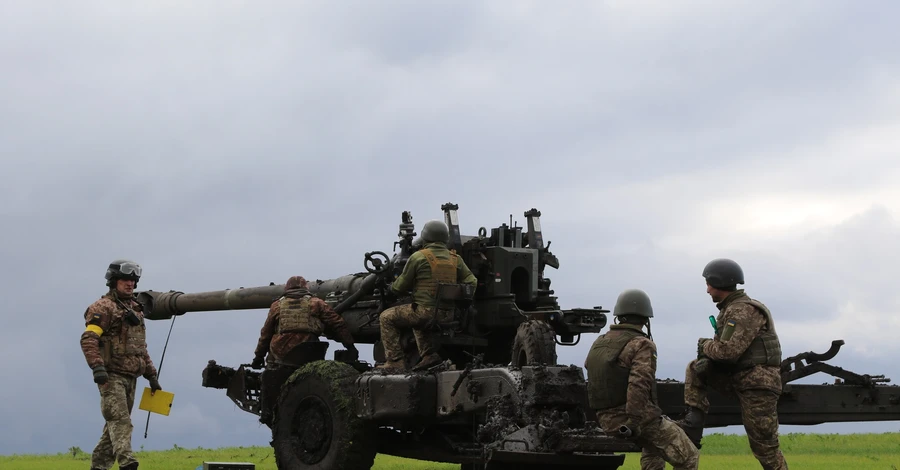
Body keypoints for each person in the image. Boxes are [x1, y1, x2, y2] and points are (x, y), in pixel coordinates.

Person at [676, 258, 788, 469]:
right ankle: (694, 422)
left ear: (720, 282)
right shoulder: (731, 309)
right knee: (695, 368)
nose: (707, 290)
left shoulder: (743, 311)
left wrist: (705, 345)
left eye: (709, 284)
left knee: (765, 447)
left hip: (757, 384)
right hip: (740, 378)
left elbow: (727, 352)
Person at [585, 288, 699, 470]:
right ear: (646, 319)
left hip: (605, 418)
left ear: (618, 315)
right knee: (689, 456)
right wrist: (634, 421)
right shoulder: (642, 344)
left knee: (653, 450)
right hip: (632, 419)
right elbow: (639, 384)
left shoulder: (600, 341)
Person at [80, 259, 161, 470]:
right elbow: (89, 339)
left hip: (131, 377)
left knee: (112, 427)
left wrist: (151, 376)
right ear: (114, 281)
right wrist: (97, 367)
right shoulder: (102, 308)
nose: (130, 284)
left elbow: (140, 347)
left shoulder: (135, 308)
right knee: (120, 421)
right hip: (111, 376)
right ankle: (128, 463)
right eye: (125, 279)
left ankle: (99, 467)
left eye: (133, 280)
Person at [252, 275, 358, 425]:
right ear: (306, 288)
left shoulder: (276, 306)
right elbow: (337, 323)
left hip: (281, 357)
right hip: (309, 354)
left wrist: (258, 357)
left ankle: (267, 412)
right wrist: (350, 346)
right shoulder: (317, 303)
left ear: (286, 289)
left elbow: (266, 334)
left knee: (268, 377)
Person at [377, 219, 478, 371]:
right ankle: (428, 355)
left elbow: (400, 286)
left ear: (425, 237)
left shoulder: (418, 257)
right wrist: (461, 301)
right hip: (448, 314)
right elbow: (472, 281)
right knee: (417, 318)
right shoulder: (455, 259)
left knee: (386, 317)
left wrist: (391, 288)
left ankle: (395, 362)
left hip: (426, 312)